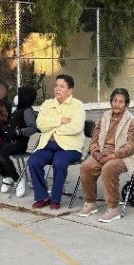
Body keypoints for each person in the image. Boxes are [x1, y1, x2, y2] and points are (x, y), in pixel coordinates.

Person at [77, 88, 134, 222]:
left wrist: (112, 156)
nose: (117, 104)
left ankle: (113, 209)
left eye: (121, 102)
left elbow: (132, 147)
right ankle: (91, 203)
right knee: (86, 167)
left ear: (126, 104)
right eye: (115, 101)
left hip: (122, 156)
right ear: (111, 102)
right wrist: (95, 152)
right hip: (102, 153)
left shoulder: (132, 121)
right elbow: (94, 138)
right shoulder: (104, 117)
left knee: (109, 168)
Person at [28, 74, 86, 210]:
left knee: (59, 163)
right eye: (56, 86)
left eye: (62, 86)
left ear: (70, 90)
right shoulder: (48, 104)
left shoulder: (77, 105)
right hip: (48, 145)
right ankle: (42, 197)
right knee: (33, 161)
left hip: (69, 148)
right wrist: (59, 121)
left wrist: (54, 131)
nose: (57, 89)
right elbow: (41, 125)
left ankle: (55, 199)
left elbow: (76, 127)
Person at [0, 86, 39, 197]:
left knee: (1, 155)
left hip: (19, 143)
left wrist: (19, 132)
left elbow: (32, 128)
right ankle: (6, 176)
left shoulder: (27, 111)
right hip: (8, 141)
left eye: (19, 95)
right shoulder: (18, 110)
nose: (16, 97)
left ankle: (17, 179)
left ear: (25, 97)